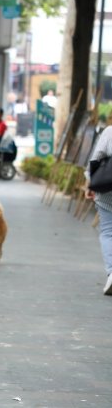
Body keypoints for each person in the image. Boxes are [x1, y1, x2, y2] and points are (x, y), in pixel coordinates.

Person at [84, 125, 112, 296]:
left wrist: (90, 184)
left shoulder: (110, 131)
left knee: (108, 232)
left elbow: (95, 160)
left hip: (108, 190)